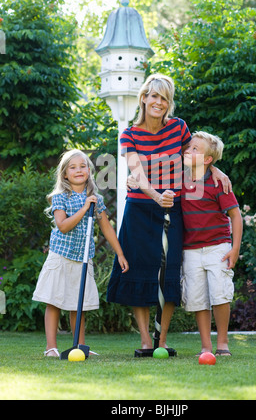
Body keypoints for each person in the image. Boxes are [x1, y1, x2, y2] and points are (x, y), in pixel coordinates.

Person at [107, 73, 231, 350]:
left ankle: (161, 341)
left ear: (169, 102)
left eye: (164, 98)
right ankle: (145, 340)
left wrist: (217, 168)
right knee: (139, 272)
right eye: (154, 96)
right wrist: (154, 196)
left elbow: (197, 157)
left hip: (173, 211)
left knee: (168, 274)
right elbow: (136, 171)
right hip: (140, 209)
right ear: (144, 97)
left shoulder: (178, 128)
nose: (158, 102)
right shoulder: (129, 134)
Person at [33, 149, 128, 357]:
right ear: (65, 174)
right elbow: (63, 226)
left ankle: (79, 347)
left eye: (83, 166)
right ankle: (51, 347)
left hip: (83, 257)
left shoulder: (96, 198)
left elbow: (107, 228)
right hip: (61, 255)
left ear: (89, 171)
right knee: (54, 300)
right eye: (73, 167)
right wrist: (85, 208)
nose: (78, 170)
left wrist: (119, 253)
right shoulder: (60, 197)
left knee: (79, 305)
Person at [181, 131, 243, 356]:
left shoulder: (218, 182)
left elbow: (236, 216)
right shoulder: (180, 180)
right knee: (198, 299)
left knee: (220, 295)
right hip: (191, 250)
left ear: (207, 159)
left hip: (219, 247)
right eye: (188, 147)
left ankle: (222, 343)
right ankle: (206, 346)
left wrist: (234, 249)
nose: (188, 150)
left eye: (195, 149)